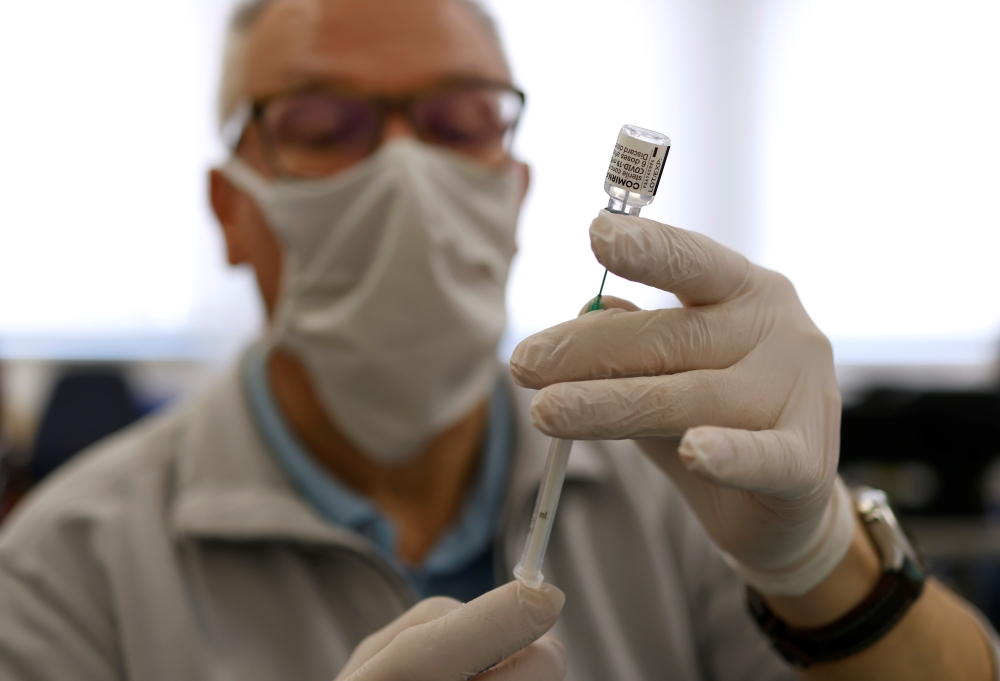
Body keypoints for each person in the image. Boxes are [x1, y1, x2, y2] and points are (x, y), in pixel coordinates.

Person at [0, 0, 996, 679]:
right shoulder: (62, 571)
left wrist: (815, 558)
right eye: (323, 123)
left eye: (459, 118)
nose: (404, 171)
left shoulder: (675, 483)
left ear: (513, 189)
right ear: (230, 210)